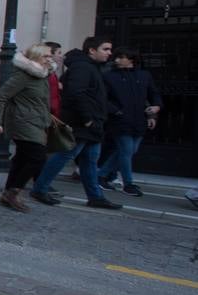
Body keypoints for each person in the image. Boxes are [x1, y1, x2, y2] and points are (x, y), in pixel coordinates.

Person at [30, 37, 121, 209]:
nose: (109, 53)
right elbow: (76, 93)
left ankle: (95, 197)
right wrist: (87, 119)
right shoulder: (83, 67)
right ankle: (40, 188)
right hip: (82, 123)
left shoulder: (90, 67)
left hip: (92, 123)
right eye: (105, 49)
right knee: (66, 155)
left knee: (90, 160)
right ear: (92, 50)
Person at [0, 44, 55, 213]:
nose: (50, 59)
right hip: (23, 123)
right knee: (38, 157)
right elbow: (1, 97)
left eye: (50, 56)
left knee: (22, 159)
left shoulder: (43, 75)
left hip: (37, 122)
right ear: (35, 57)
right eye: (46, 56)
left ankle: (8, 193)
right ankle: (14, 192)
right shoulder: (23, 76)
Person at [98, 47, 161, 197]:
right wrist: (115, 111)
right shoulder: (109, 76)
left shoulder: (144, 75)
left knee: (129, 150)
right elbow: (102, 98)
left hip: (139, 119)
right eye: (116, 57)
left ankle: (101, 175)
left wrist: (155, 110)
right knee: (126, 151)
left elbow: (153, 94)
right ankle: (128, 183)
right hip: (119, 120)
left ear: (131, 59)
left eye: (121, 57)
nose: (117, 60)